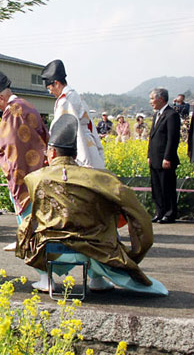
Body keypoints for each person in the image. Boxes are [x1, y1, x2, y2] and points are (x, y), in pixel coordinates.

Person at [16, 114, 168, 295]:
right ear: (75, 153)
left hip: (49, 249)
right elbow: (139, 216)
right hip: (99, 250)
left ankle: (45, 279)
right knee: (108, 218)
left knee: (26, 220)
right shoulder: (103, 178)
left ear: (53, 152)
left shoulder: (34, 178)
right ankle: (97, 278)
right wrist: (134, 254)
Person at [0, 71, 49, 251]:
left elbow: (11, 144)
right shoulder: (27, 105)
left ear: (2, 97)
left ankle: (26, 241)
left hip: (22, 169)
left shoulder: (12, 111)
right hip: (38, 165)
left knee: (26, 208)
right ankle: (27, 239)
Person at [42, 59, 105, 169]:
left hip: (78, 149)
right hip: (90, 147)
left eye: (49, 88)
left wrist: (83, 160)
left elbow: (72, 131)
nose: (50, 92)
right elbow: (91, 127)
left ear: (56, 83)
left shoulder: (65, 100)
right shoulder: (76, 96)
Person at [148, 88, 180, 224]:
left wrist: (167, 157)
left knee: (167, 187)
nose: (151, 102)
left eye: (152, 99)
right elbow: (152, 137)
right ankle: (160, 212)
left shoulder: (171, 115)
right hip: (154, 158)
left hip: (165, 159)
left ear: (160, 99)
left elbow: (172, 139)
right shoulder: (156, 115)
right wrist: (149, 155)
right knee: (156, 187)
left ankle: (170, 213)